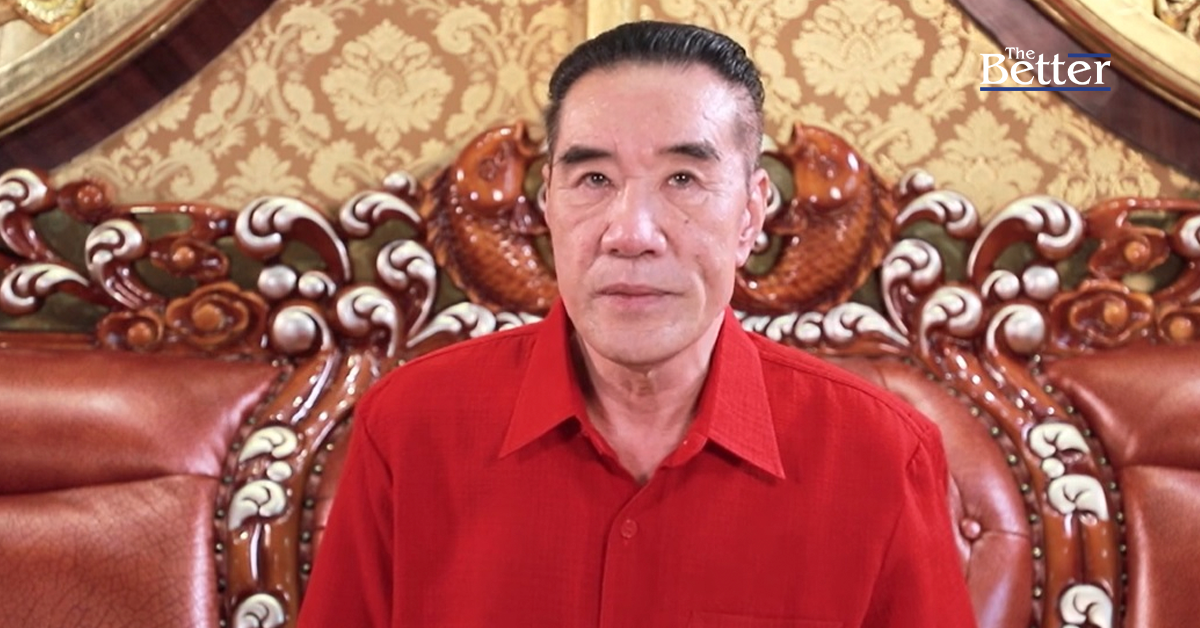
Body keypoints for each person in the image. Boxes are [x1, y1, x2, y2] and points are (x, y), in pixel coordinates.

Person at [299, 21, 976, 628]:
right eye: (594, 179)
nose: (631, 234)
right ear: (547, 205)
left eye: (683, 179)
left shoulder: (882, 455)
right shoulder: (408, 426)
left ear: (751, 215)